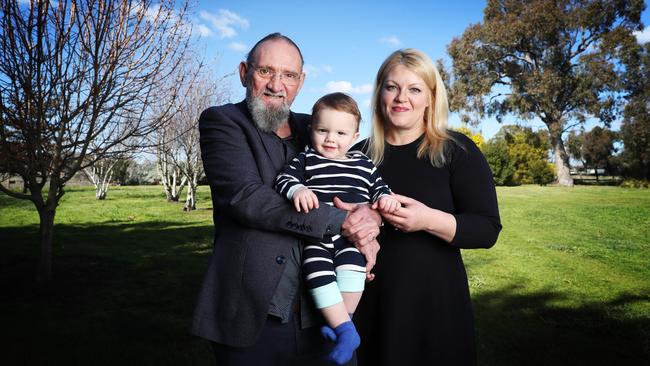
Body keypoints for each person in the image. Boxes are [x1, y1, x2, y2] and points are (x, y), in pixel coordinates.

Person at [191, 33, 382, 366]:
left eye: (289, 75)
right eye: (265, 71)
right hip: (256, 316)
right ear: (243, 73)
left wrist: (371, 222)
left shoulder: (319, 127)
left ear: (301, 81)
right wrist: (345, 224)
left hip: (323, 312)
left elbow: (362, 181)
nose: (276, 85)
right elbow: (246, 198)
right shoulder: (223, 122)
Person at [353, 48, 502, 365]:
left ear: (431, 98)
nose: (400, 98)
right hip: (368, 304)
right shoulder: (356, 156)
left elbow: (487, 229)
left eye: (414, 89)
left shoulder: (456, 151)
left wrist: (427, 219)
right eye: (391, 87)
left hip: (435, 306)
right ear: (380, 93)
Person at [274, 93, 399, 364]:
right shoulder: (306, 160)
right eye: (323, 130)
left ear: (354, 136)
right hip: (317, 234)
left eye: (341, 133)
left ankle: (342, 323)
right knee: (316, 273)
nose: (331, 139)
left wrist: (384, 199)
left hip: (351, 238)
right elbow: (283, 179)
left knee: (352, 273)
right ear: (311, 131)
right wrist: (297, 189)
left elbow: (380, 188)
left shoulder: (363, 164)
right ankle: (345, 329)